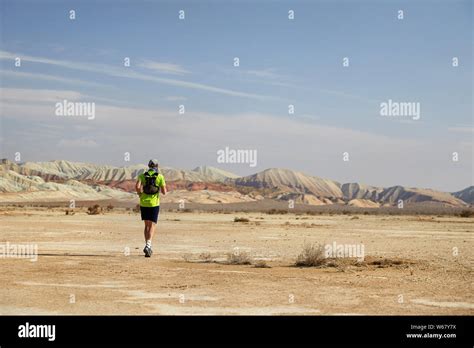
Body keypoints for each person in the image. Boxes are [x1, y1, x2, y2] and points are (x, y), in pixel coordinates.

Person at [135, 159, 167, 257]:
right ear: (157, 166)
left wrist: (140, 194)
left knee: (147, 225)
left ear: (148, 166)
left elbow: (137, 186)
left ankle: (148, 246)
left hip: (144, 203)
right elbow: (164, 192)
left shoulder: (142, 175)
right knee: (152, 225)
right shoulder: (160, 176)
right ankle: (148, 245)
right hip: (154, 204)